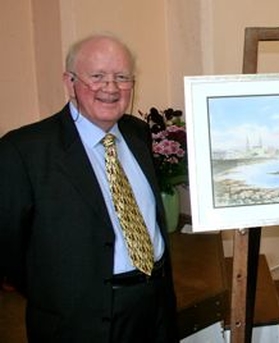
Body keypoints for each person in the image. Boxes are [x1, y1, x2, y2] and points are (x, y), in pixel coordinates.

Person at [0, 34, 178, 342]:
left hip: (154, 307)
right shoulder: (24, 150)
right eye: (97, 77)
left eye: (122, 77)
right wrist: (58, 295)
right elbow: (8, 248)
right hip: (77, 322)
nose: (111, 88)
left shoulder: (138, 134)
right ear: (70, 83)